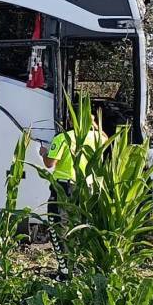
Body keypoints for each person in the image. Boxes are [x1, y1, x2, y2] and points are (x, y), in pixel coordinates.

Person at [39, 116, 108, 280]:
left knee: (57, 227)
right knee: (77, 227)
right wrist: (93, 123)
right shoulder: (95, 137)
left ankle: (64, 272)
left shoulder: (63, 138)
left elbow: (50, 164)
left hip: (64, 188)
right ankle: (76, 267)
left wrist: (44, 153)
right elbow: (105, 138)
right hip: (85, 188)